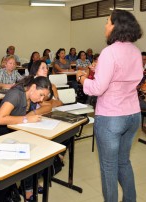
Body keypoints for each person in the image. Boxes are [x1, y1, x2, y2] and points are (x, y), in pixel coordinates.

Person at [76, 10, 142, 202]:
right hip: (133, 115)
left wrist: (81, 79)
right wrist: (101, 71)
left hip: (112, 117)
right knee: (124, 162)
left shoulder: (109, 51)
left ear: (116, 26)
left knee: (109, 166)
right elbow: (126, 79)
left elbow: (97, 88)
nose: (105, 26)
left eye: (107, 22)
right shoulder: (136, 51)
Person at [0, 76, 52, 201]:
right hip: (6, 132)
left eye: (44, 97)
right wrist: (26, 119)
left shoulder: (31, 96)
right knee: (31, 152)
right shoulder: (16, 94)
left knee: (42, 149)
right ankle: (27, 188)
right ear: (32, 87)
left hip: (19, 130)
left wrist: (32, 115)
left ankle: (28, 186)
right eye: (41, 95)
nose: (41, 99)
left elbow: (48, 106)